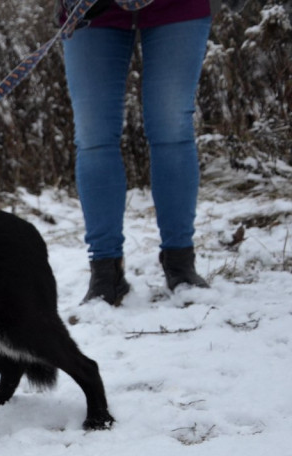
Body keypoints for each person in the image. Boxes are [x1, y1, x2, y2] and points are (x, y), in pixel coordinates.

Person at [61, 0, 220, 305]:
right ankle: (105, 272)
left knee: (172, 127)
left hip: (178, 8)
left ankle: (180, 264)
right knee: (93, 136)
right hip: (91, 9)